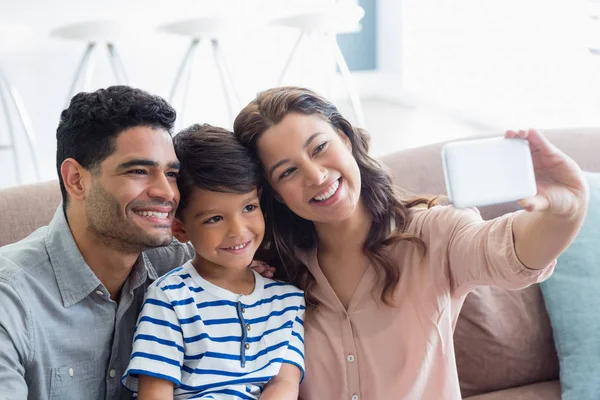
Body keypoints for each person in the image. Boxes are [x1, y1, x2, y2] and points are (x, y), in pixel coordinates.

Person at [232, 86, 590, 399]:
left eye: (319, 147)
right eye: (287, 172)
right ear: (275, 194)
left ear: (344, 137)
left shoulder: (435, 234)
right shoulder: (270, 272)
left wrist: (564, 212)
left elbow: (513, 253)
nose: (316, 175)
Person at [0, 86, 197, 399]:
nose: (167, 192)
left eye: (171, 174)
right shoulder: (10, 297)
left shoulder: (183, 264)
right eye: (139, 171)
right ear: (76, 180)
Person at [121, 124, 305, 400]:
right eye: (214, 219)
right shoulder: (170, 298)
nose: (238, 230)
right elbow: (155, 392)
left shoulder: (287, 301)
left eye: (249, 208)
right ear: (180, 230)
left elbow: (283, 384)